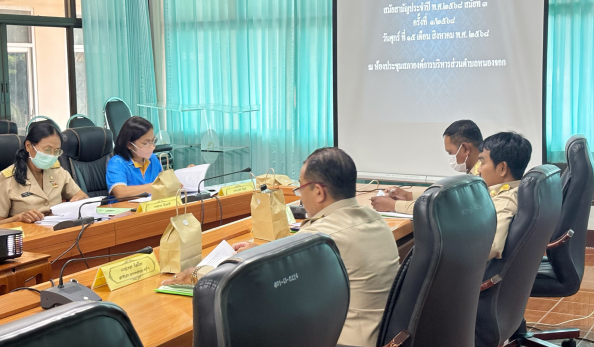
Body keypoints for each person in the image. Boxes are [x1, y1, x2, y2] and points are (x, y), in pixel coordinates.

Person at [162, 148, 400, 347]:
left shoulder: (319, 239)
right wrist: (258, 250)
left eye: (301, 188)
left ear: (318, 191)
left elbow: (258, 283)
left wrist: (196, 273)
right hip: (383, 334)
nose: (300, 197)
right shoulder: (376, 219)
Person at [371, 119, 483, 213]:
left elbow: (442, 207)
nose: (450, 157)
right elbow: (444, 197)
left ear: (465, 149)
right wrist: (408, 195)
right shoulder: (474, 175)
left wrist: (393, 205)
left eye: (450, 153)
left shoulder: (481, 177)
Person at [0, 123, 88, 224]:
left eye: (56, 151)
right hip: (27, 233)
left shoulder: (57, 171)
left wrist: (80, 200)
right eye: (47, 150)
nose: (52, 156)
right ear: (28, 146)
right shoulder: (7, 178)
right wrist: (19, 218)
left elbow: (83, 197)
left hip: (58, 229)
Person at [477, 132, 532, 260]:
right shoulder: (518, 190)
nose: (479, 170)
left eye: (482, 163)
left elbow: (492, 247)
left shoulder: (505, 201)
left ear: (502, 168)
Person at [106, 116, 163, 197]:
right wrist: (155, 187)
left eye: (153, 141)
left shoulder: (152, 158)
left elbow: (165, 182)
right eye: (145, 143)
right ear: (129, 144)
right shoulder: (117, 163)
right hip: (126, 205)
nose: (152, 146)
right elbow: (120, 193)